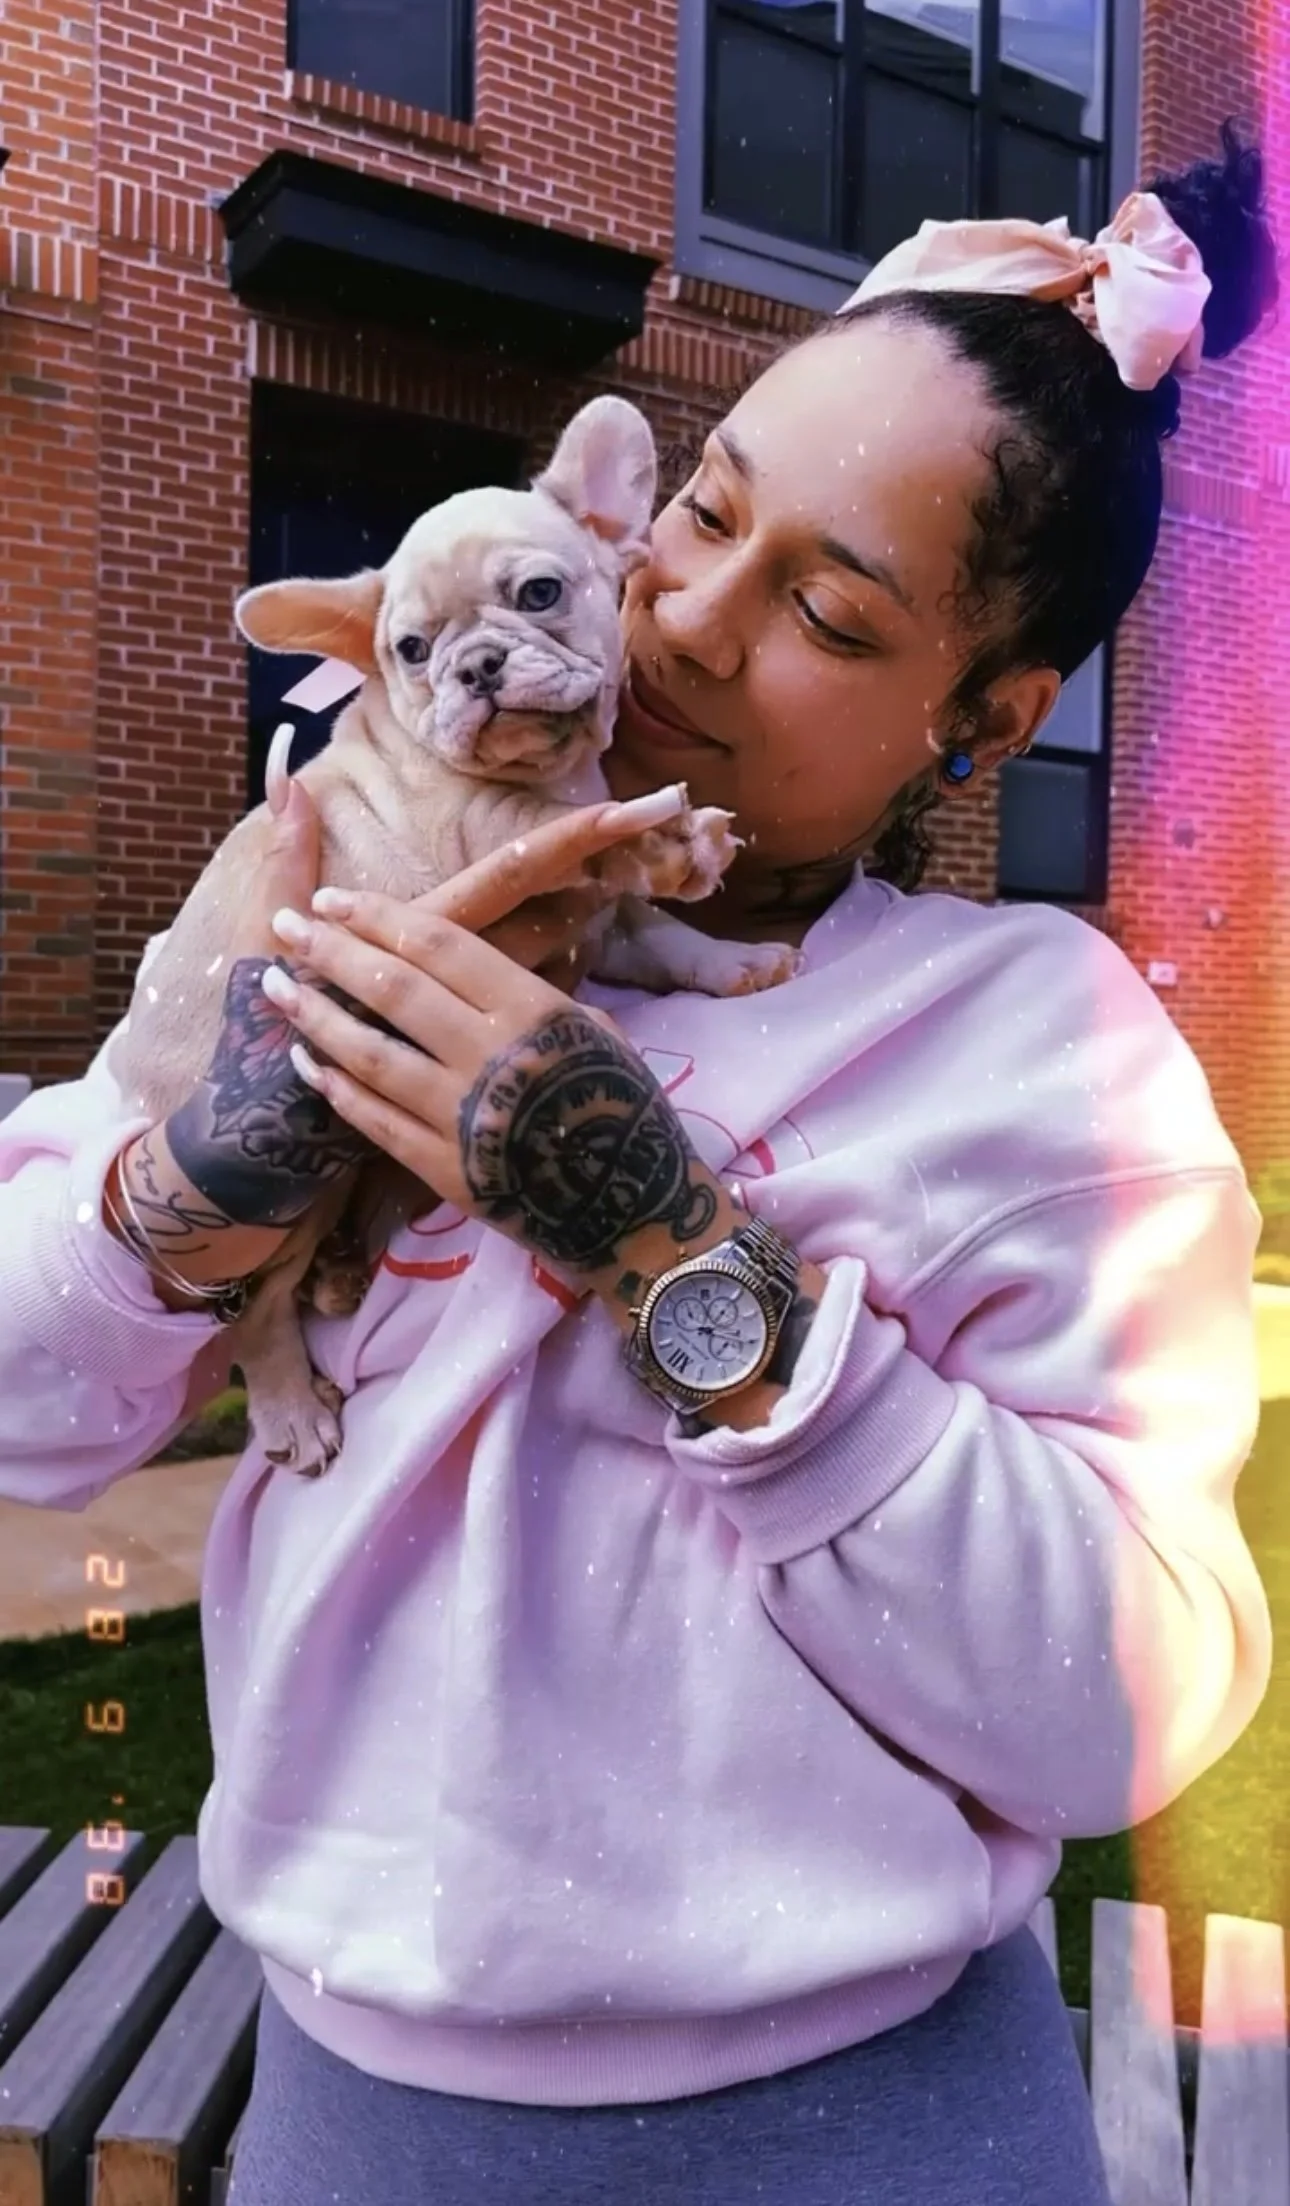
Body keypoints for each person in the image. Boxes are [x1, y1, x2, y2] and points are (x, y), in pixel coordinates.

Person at [0, 124, 1277, 2206]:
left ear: (988, 716)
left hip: (867, 2122)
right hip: (361, 2105)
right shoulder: (336, 873)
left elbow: (1127, 1695)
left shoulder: (1037, 1043)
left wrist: (672, 1243)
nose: (683, 619)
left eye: (829, 613)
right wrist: (199, 1174)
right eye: (705, 508)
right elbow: (20, 1399)